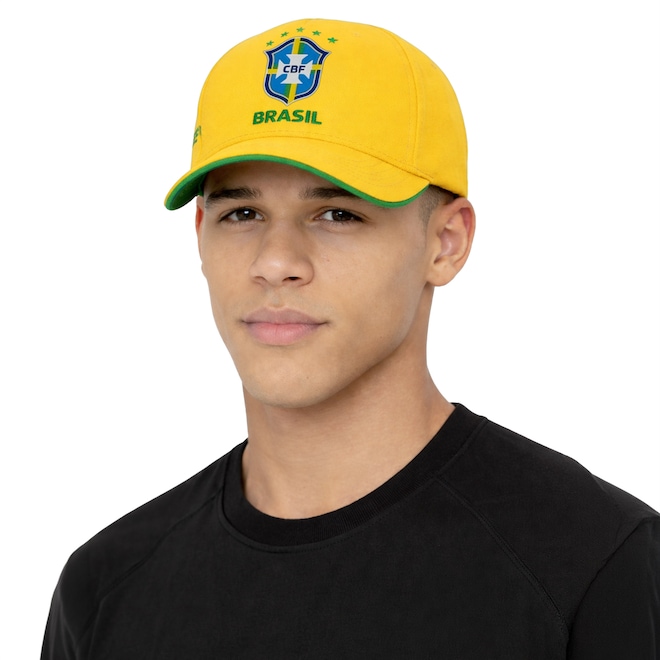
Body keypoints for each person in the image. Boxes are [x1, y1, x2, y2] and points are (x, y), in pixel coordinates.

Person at [41, 18, 659, 659]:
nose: (275, 261)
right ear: (200, 234)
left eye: (337, 214)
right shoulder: (106, 588)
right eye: (242, 213)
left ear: (445, 243)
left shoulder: (591, 565)